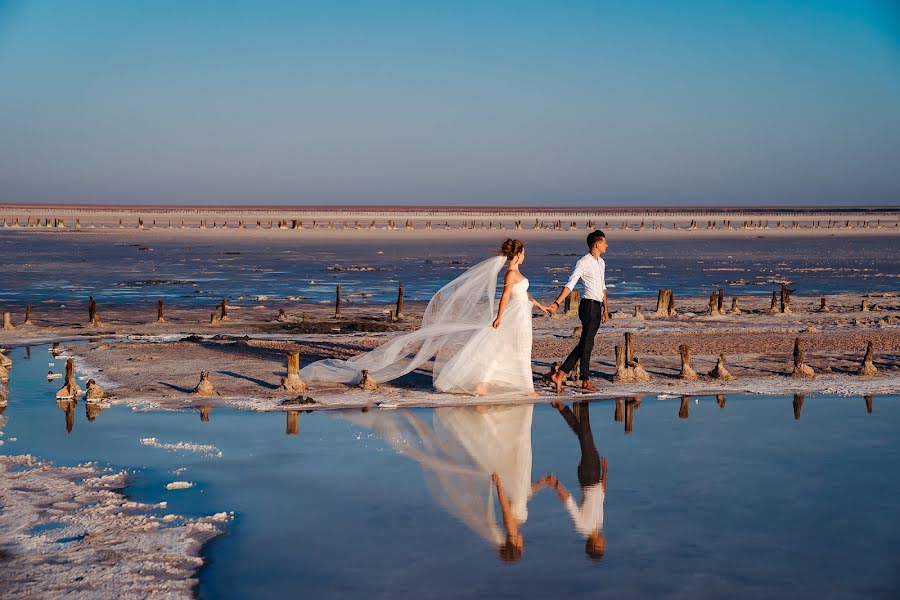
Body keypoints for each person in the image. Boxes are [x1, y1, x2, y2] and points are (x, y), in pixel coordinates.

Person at [301, 238, 551, 396]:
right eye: (524, 253)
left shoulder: (518, 274)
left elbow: (523, 295)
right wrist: (498, 317)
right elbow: (506, 296)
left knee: (516, 349)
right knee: (501, 350)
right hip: (510, 317)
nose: (524, 256)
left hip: (521, 316)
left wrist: (541, 306)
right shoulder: (509, 274)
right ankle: (506, 386)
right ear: (517, 255)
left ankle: (514, 385)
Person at [547, 230, 609, 393]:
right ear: (597, 244)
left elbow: (603, 287)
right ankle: (585, 380)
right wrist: (557, 303)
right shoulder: (583, 262)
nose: (606, 245)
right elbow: (571, 284)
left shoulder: (601, 262)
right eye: (604, 242)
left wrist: (606, 310)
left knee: (585, 343)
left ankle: (560, 373)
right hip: (587, 306)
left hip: (597, 307)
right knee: (587, 344)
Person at [549, 400, 608, 559]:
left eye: (602, 546)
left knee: (586, 434)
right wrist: (605, 471)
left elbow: (569, 503)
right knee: (583, 435)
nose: (605, 543)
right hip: (595, 474)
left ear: (595, 545)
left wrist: (555, 484)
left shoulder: (582, 526)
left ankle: (583, 402)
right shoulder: (598, 525)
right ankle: (562, 408)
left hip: (587, 477)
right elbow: (601, 495)